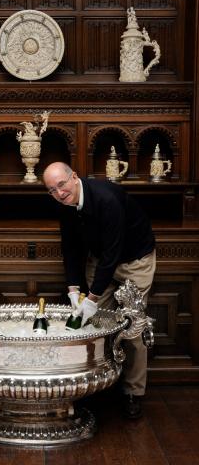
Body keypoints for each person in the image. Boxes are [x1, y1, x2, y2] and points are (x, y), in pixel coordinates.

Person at [43, 162, 156, 419]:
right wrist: (74, 290)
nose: (59, 193)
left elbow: (113, 254)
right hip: (101, 259)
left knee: (132, 326)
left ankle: (132, 393)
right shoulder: (63, 203)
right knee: (94, 323)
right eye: (52, 190)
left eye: (62, 185)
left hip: (134, 260)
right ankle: (99, 387)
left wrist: (91, 297)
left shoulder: (107, 198)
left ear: (74, 177)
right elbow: (70, 248)